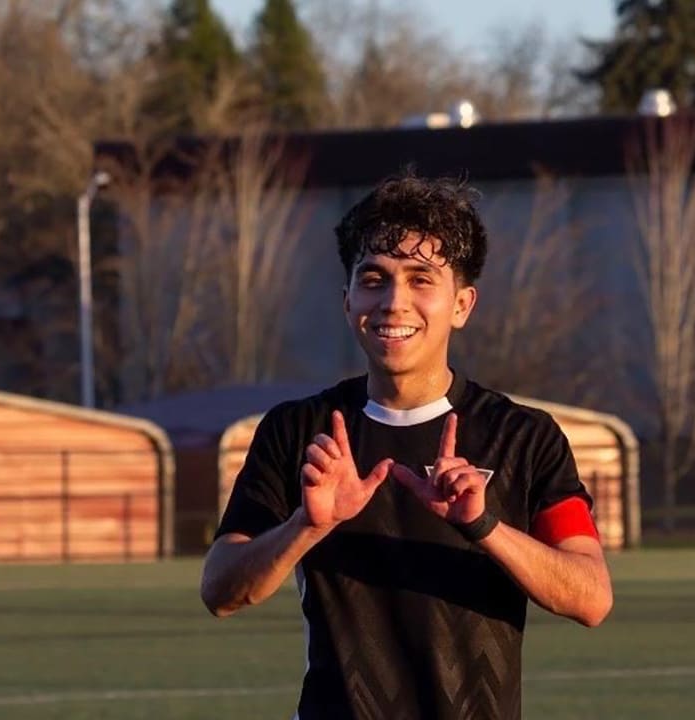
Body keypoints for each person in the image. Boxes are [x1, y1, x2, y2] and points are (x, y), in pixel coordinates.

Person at [200, 172, 613, 720]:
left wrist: (483, 526)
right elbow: (221, 590)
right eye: (373, 278)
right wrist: (308, 525)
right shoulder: (297, 431)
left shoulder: (524, 436)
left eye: (422, 280)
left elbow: (590, 598)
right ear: (348, 300)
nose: (394, 302)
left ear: (462, 305)